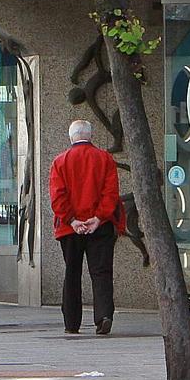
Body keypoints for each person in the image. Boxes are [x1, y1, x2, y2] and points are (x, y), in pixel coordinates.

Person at [49, 119, 125, 336]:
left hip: (69, 228)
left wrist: (72, 220)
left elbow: (57, 196)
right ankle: (103, 316)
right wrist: (98, 218)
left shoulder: (60, 161)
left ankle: (71, 322)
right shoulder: (105, 159)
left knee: (72, 272)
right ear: (90, 136)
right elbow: (111, 193)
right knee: (101, 272)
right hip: (100, 226)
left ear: (71, 136)